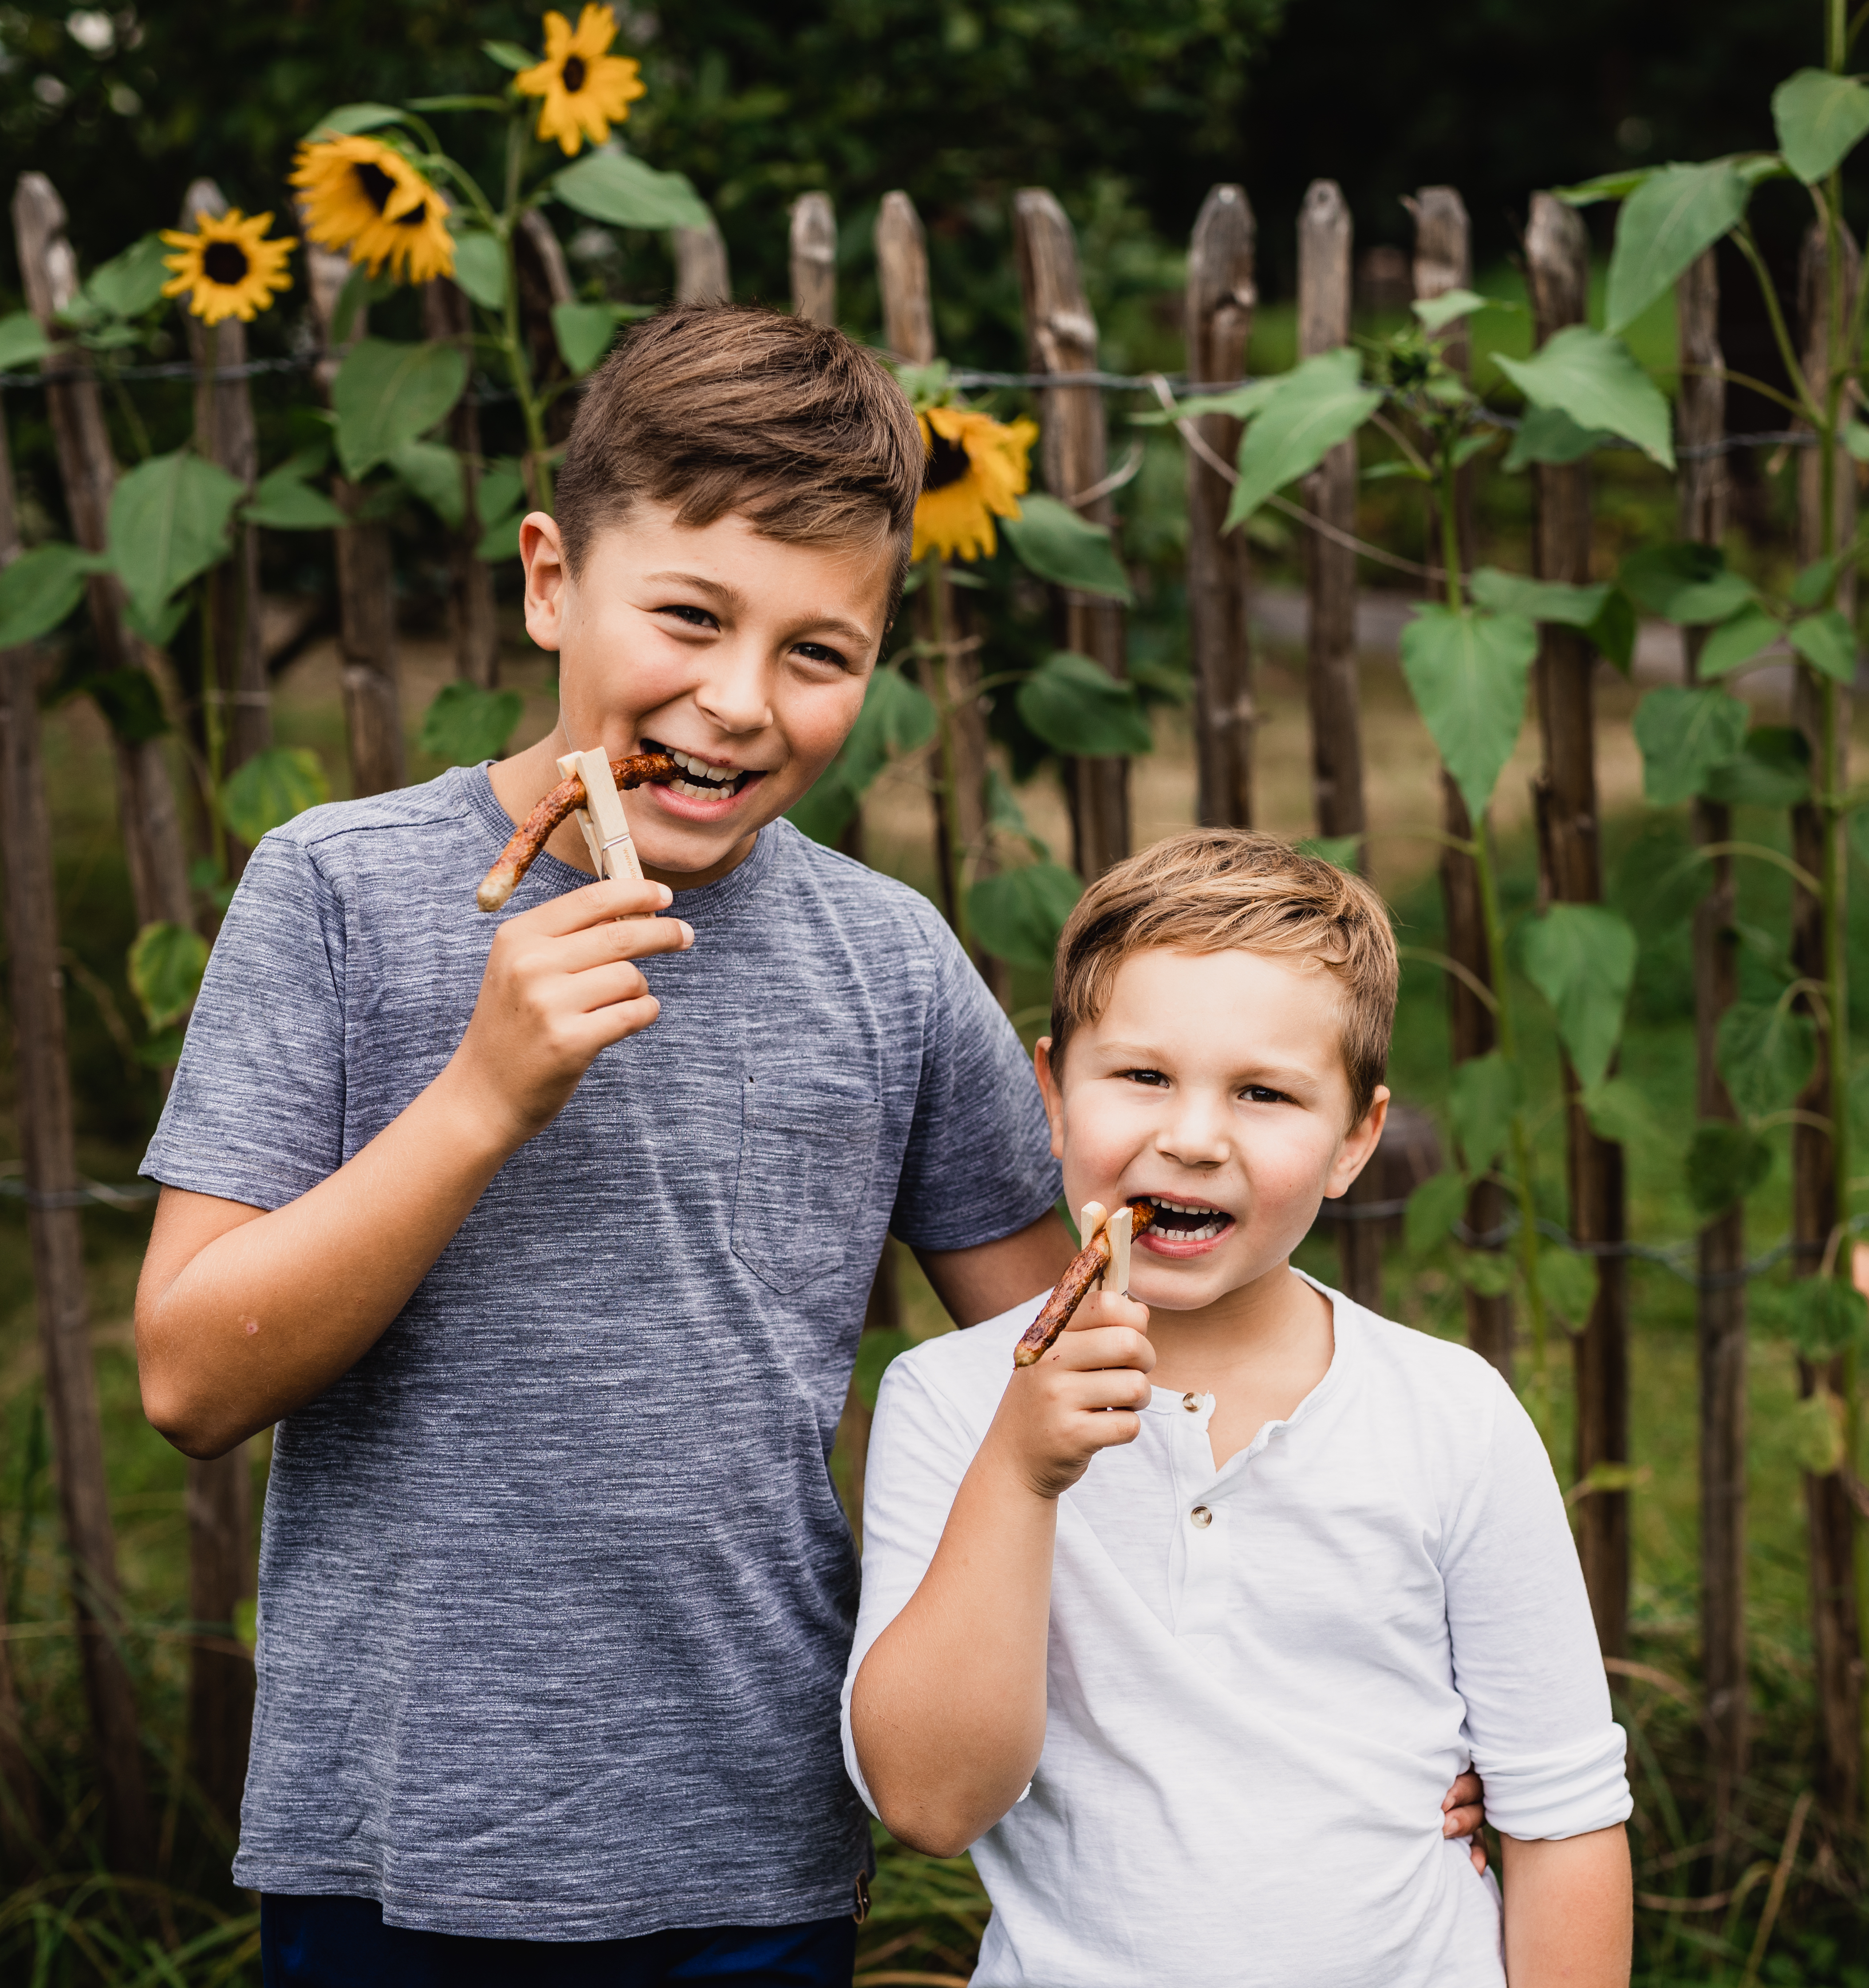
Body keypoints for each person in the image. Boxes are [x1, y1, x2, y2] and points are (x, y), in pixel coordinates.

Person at [130, 306, 1078, 1984]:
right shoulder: (337, 895)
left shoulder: (893, 961)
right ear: (553, 579)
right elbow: (192, 1378)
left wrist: (1344, 1747)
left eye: (818, 653)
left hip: (750, 1848)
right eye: (691, 618)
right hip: (395, 1848)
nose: (734, 703)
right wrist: (482, 1097)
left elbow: (1070, 1373)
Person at [846, 831, 1637, 1987]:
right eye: (1143, 1077)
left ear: (1355, 1142)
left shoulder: (1450, 1416)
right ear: (1052, 1094)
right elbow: (930, 1800)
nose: (1195, 1137)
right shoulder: (953, 1404)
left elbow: (1561, 1813)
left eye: (1263, 1094)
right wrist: (1019, 1472)